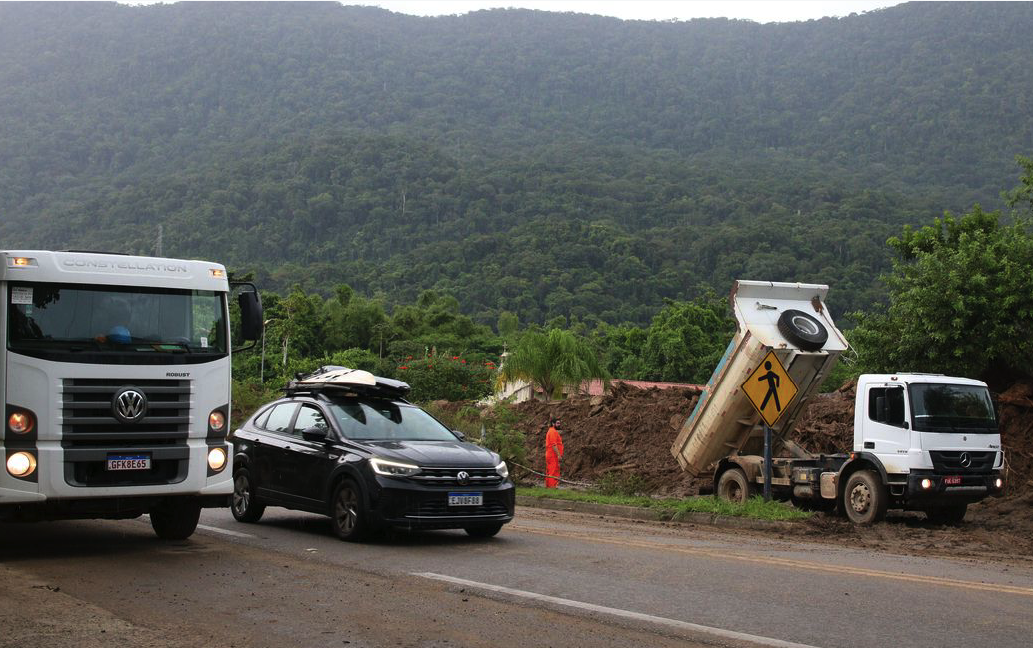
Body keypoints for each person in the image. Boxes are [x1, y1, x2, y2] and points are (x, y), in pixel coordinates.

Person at [545, 418, 564, 489]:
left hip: (551, 454)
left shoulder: (552, 431)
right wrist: (558, 455)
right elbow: (554, 445)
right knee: (553, 471)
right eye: (558, 423)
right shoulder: (552, 431)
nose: (559, 425)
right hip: (553, 455)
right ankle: (552, 487)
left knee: (550, 470)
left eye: (559, 423)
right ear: (553, 423)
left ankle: (549, 486)